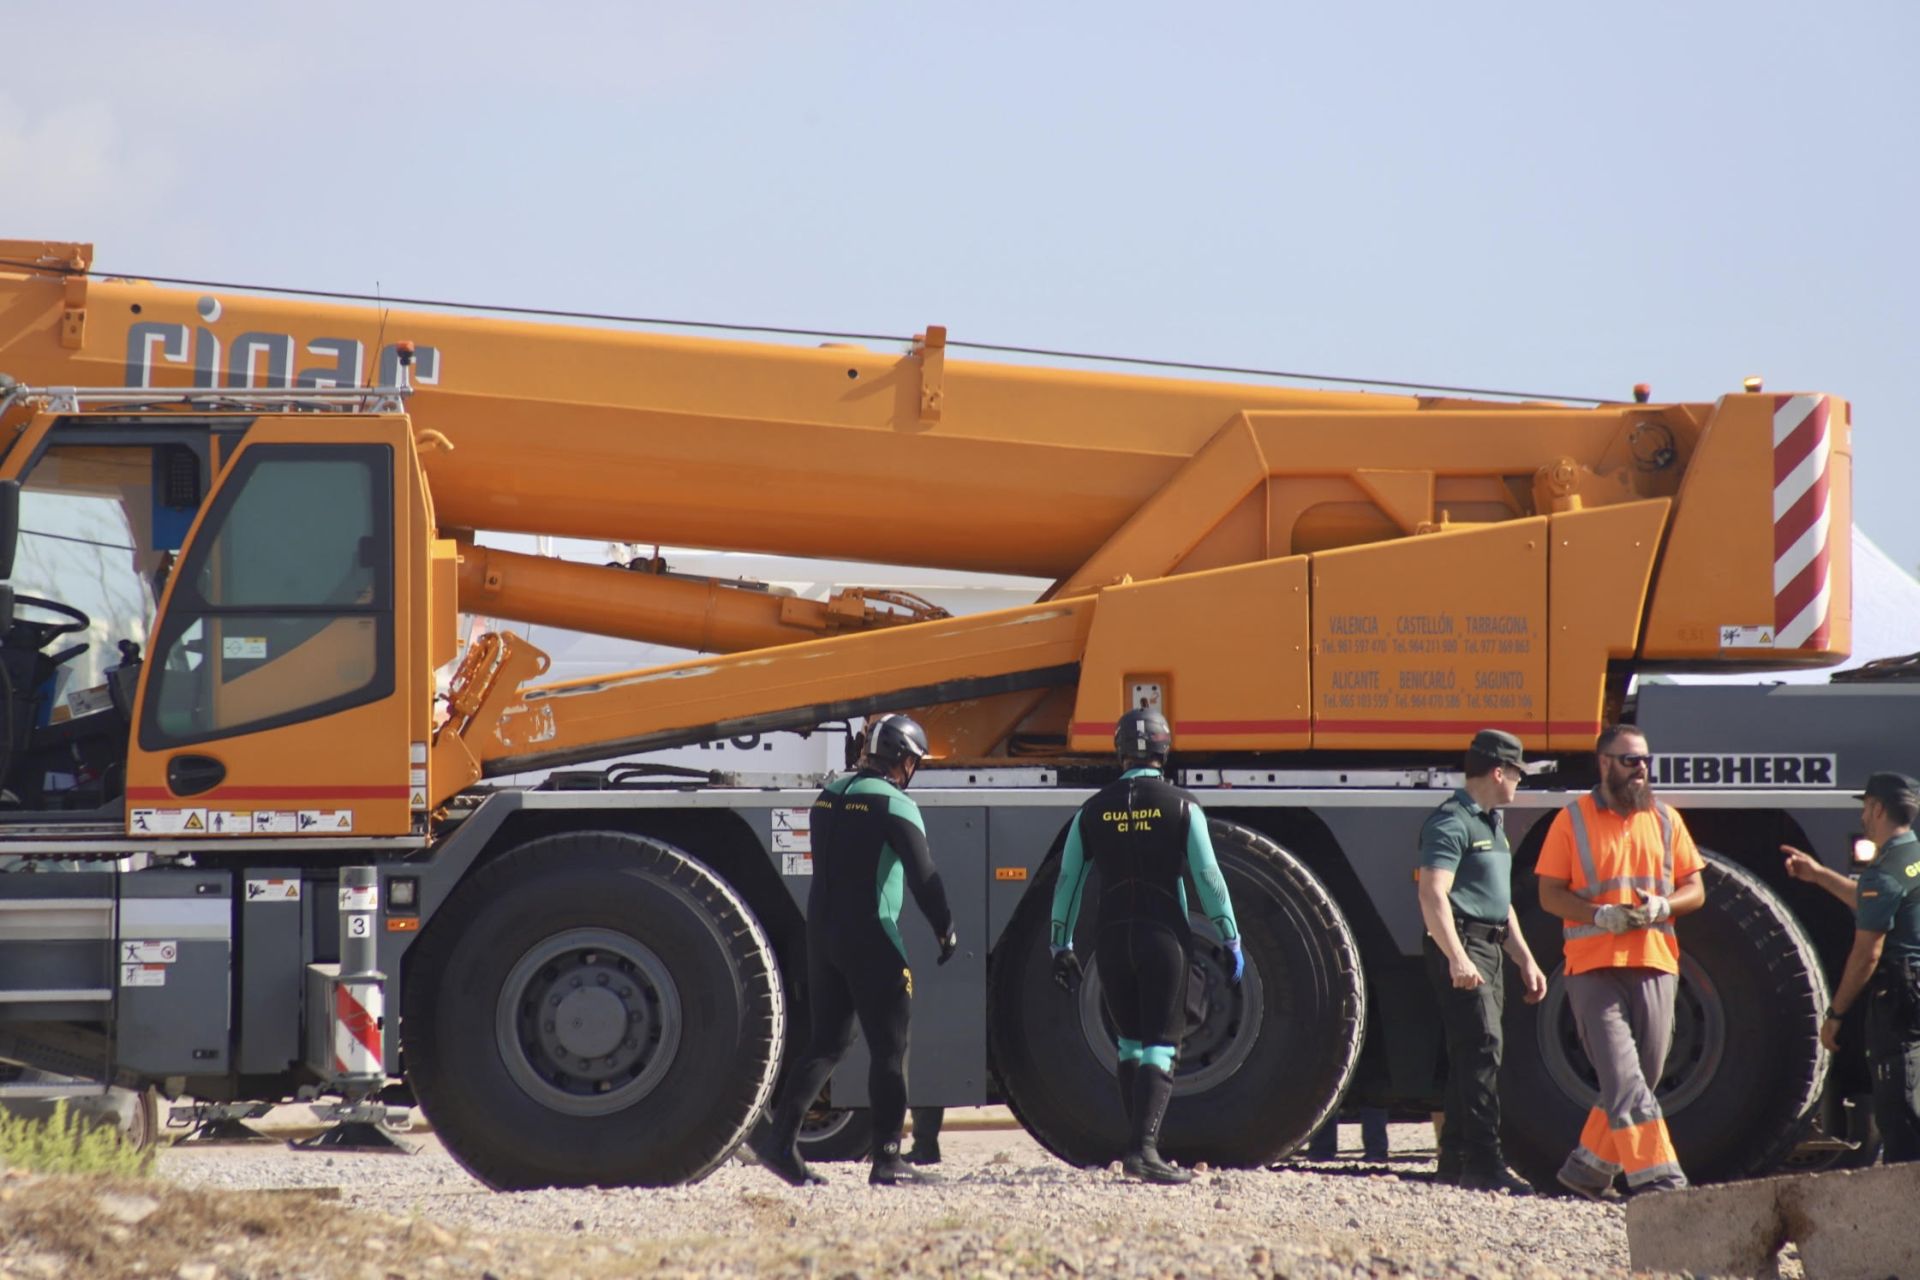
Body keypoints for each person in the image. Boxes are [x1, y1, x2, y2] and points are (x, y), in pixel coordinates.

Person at [752, 713, 960, 1187]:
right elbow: (925, 875)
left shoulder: (829, 796)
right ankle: (888, 1159)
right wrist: (945, 928)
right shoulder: (895, 803)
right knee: (890, 1049)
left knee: (827, 1043)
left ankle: (779, 1144)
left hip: (823, 937)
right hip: (872, 937)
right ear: (905, 760)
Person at [1047, 707, 1241, 1185]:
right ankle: (1144, 1151)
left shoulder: (1091, 810)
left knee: (1129, 1042)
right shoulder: (1181, 805)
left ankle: (1135, 1145)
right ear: (1163, 748)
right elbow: (1207, 876)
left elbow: (1069, 879)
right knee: (1161, 1042)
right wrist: (1229, 932)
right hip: (1162, 938)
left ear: (1119, 751)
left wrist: (1060, 943)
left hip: (1111, 938)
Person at [1535, 725, 1705, 1200]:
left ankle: (1587, 1171)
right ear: (1604, 762)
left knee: (1640, 1076)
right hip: (1593, 965)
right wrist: (1597, 914)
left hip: (1654, 961)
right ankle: (1662, 1183)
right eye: (1631, 760)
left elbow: (1696, 888)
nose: (1642, 769)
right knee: (1625, 1077)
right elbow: (1548, 894)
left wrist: (1663, 907)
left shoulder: (1666, 820)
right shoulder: (1571, 820)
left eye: (1646, 760)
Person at [1416, 728, 1549, 1193]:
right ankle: (1485, 1163)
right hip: (1465, 947)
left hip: (1489, 949)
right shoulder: (1451, 823)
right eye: (1517, 773)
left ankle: (1454, 1161)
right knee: (1483, 1047)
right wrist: (1456, 957)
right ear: (1498, 771)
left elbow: (1501, 902)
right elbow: (1433, 895)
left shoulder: (1490, 825)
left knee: (1473, 1053)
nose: (1518, 783)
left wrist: (1525, 959)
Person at [1782, 771, 1920, 1162]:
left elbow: (1867, 953)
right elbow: (1873, 903)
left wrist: (1836, 1014)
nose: (1862, 817)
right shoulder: (1913, 858)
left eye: (1865, 808)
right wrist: (1820, 876)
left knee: (1901, 1113)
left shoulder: (1884, 872)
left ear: (1877, 809)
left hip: (1899, 997)